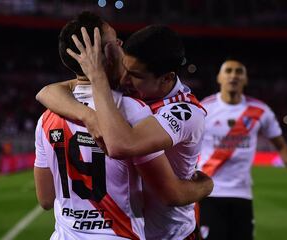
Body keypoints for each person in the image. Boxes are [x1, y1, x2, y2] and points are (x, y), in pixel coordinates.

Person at [34, 12, 213, 240]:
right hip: (126, 231)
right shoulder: (130, 107)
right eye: (116, 44)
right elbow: (47, 92)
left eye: (134, 74)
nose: (126, 79)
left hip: (170, 234)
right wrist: (88, 114)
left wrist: (96, 82)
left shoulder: (184, 111)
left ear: (166, 78)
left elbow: (46, 199)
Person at [196, 58, 287, 240]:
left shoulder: (260, 111)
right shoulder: (204, 108)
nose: (233, 75)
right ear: (219, 78)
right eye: (229, 71)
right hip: (209, 192)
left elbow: (281, 145)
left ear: (246, 79)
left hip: (242, 194)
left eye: (239, 72)